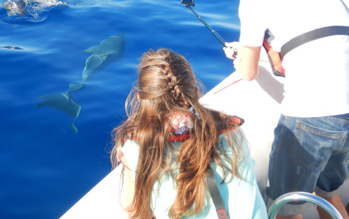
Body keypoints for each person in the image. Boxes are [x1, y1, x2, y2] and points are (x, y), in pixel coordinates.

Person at [224, 0, 349, 219]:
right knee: (328, 195)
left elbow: (248, 72)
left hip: (316, 117)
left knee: (286, 207)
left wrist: (241, 56)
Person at [111, 48, 267, 219]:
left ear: (140, 99)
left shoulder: (135, 147)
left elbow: (136, 215)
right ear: (195, 92)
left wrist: (128, 155)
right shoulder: (232, 134)